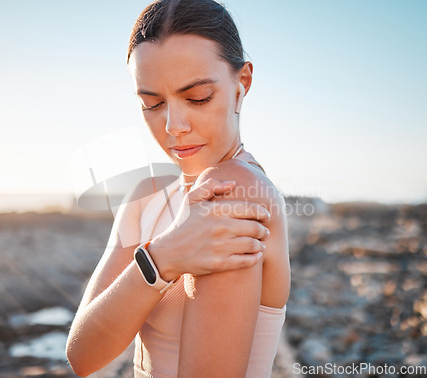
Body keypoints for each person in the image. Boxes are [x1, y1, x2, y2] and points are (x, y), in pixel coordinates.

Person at [66, 0, 290, 377]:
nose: (173, 126)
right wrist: (163, 258)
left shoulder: (236, 192)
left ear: (242, 83)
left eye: (197, 97)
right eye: (151, 103)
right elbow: (83, 357)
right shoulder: (146, 195)